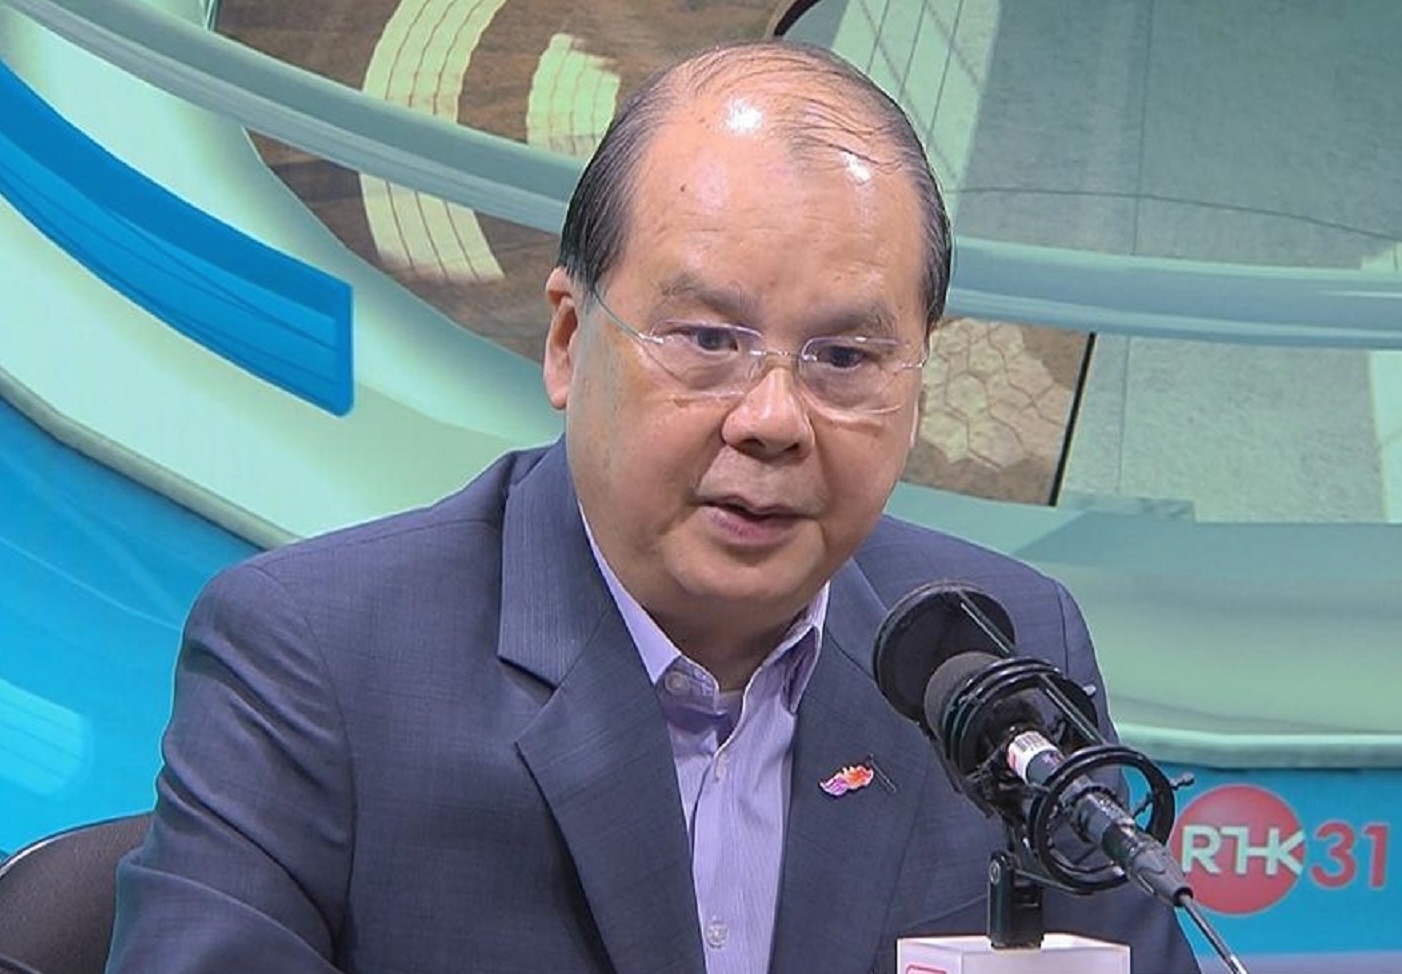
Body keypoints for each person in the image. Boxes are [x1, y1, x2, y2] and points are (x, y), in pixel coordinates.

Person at [106, 39, 1199, 974]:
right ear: (568, 340)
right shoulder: (321, 655)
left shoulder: (997, 650)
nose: (772, 418)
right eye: (708, 340)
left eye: (846, 357)